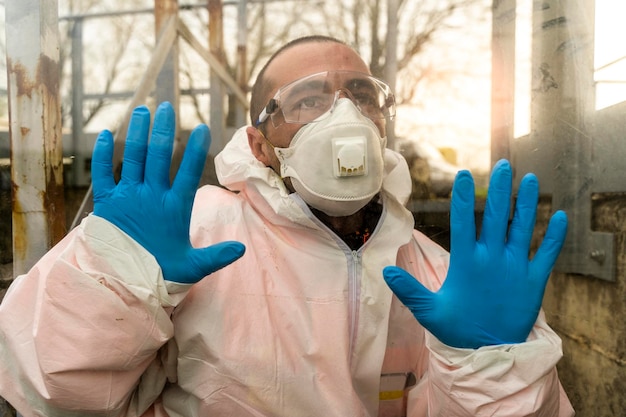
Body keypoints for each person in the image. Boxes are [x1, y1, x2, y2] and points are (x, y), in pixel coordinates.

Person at [0, 35, 574, 417]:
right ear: (259, 142)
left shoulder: (437, 273)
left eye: (360, 94)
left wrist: (491, 369)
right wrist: (116, 277)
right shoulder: (187, 235)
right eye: (307, 100)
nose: (342, 115)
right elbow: (47, 390)